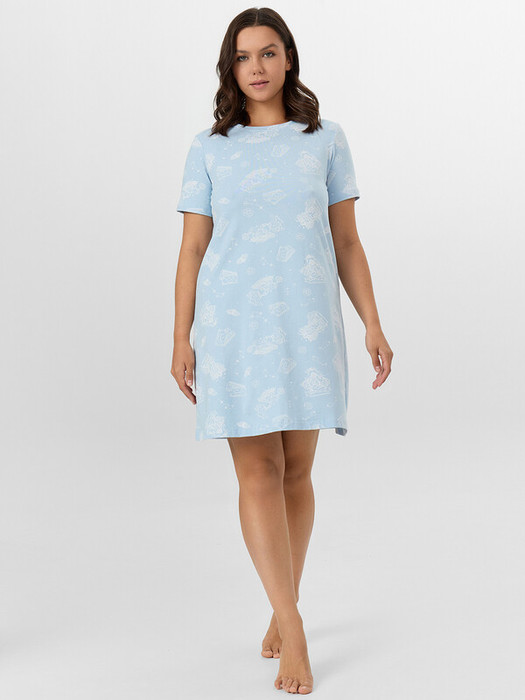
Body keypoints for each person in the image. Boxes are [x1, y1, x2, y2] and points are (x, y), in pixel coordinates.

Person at [171, 7, 393, 694]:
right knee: (257, 473)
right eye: (243, 57)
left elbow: (346, 240)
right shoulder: (210, 148)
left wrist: (372, 323)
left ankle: (279, 600)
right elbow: (193, 248)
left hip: (307, 323)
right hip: (234, 328)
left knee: (296, 472)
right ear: (229, 68)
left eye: (268, 53)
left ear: (288, 58)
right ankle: (292, 626)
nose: (257, 67)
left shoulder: (324, 139)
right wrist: (179, 337)